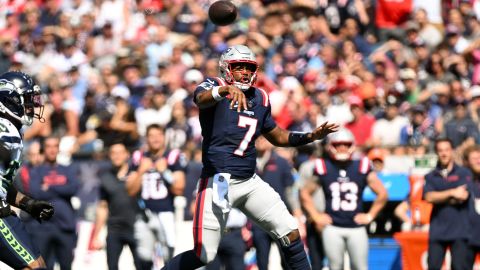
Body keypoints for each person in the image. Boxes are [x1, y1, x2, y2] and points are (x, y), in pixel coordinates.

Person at [161, 44, 339, 270]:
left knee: (291, 233)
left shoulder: (261, 98)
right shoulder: (215, 86)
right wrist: (224, 91)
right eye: (239, 67)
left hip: (248, 181)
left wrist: (310, 136)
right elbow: (200, 98)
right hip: (218, 182)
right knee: (203, 254)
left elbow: (276, 135)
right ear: (227, 69)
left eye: (248, 67)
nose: (244, 72)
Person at [299, 129, 388, 270]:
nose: (342, 148)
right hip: (333, 226)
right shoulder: (324, 167)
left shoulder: (362, 166)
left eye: (346, 144)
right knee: (335, 267)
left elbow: (382, 193)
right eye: (338, 144)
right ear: (330, 146)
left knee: (360, 267)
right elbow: (304, 193)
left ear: (352, 145)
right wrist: (315, 216)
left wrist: (370, 215)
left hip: (356, 226)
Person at [0, 71, 54, 269]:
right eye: (28, 100)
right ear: (10, 100)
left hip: (5, 212)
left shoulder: (14, 130)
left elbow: (3, 184)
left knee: (39, 265)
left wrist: (28, 204)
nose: (33, 106)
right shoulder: (3, 127)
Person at [127, 123, 186, 269]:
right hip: (144, 214)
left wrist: (164, 172)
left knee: (168, 255)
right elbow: (130, 190)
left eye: (159, 135)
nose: (155, 139)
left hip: (166, 213)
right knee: (144, 258)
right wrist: (141, 171)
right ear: (146, 138)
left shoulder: (173, 156)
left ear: (164, 137)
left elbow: (179, 189)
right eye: (151, 136)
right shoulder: (139, 157)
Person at [26, 136, 80, 270]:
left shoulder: (68, 169)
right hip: (42, 227)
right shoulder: (36, 171)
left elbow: (73, 189)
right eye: (48, 146)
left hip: (65, 226)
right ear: (44, 149)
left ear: (58, 148)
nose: (52, 150)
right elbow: (36, 193)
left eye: (55, 146)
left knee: (66, 265)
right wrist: (62, 188)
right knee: (44, 266)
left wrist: (49, 187)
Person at [90, 143, 142, 270]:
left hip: (136, 227)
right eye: (113, 153)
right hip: (115, 229)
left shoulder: (136, 174)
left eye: (120, 152)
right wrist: (96, 235)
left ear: (127, 155)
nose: (117, 156)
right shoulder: (106, 178)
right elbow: (103, 207)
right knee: (112, 266)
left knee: (142, 266)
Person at [423, 138, 472, 270]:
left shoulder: (464, 173)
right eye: (440, 150)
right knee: (433, 267)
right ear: (436, 153)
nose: (444, 153)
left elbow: (463, 196)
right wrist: (451, 192)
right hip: (437, 231)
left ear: (452, 151)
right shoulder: (431, 176)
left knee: (459, 267)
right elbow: (428, 197)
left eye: (446, 150)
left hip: (460, 231)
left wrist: (439, 196)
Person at [252, 135, 297, 270]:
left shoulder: (281, 162)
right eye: (257, 138)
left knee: (287, 261)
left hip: (280, 219)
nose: (260, 141)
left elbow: (290, 191)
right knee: (262, 261)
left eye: (264, 138)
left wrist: (296, 214)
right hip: (257, 220)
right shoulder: (247, 162)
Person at [463, 145, 480, 268]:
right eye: (474, 158)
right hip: (467, 236)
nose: (478, 161)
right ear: (467, 162)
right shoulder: (462, 180)